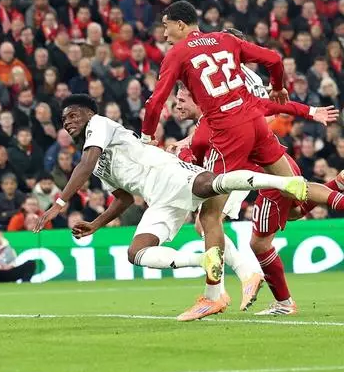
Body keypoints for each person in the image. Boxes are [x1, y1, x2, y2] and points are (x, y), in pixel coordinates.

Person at [38, 95, 308, 321]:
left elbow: (84, 163)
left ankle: (283, 183)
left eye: (73, 115)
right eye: (64, 120)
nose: (68, 123)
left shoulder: (99, 125)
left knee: (213, 189)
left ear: (89, 114)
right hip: (158, 199)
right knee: (137, 253)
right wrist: (96, 224)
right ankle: (207, 262)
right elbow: (125, 199)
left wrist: (60, 203)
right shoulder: (96, 163)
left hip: (168, 173)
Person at [140, 0, 298, 312]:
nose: (164, 33)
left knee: (209, 215)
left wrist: (147, 136)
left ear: (182, 25)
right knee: (296, 186)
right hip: (255, 122)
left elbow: (156, 100)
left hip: (229, 132)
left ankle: (212, 298)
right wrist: (279, 87)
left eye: (166, 25)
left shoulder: (179, 52)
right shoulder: (226, 40)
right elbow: (274, 58)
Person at [175, 84, 344, 316]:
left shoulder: (213, 123)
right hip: (275, 164)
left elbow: (204, 167)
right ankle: (338, 184)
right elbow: (267, 105)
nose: (176, 105)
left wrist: (183, 153)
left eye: (182, 100)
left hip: (264, 178)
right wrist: (310, 111)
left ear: (198, 99)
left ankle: (281, 302)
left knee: (257, 242)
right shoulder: (221, 113)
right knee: (294, 210)